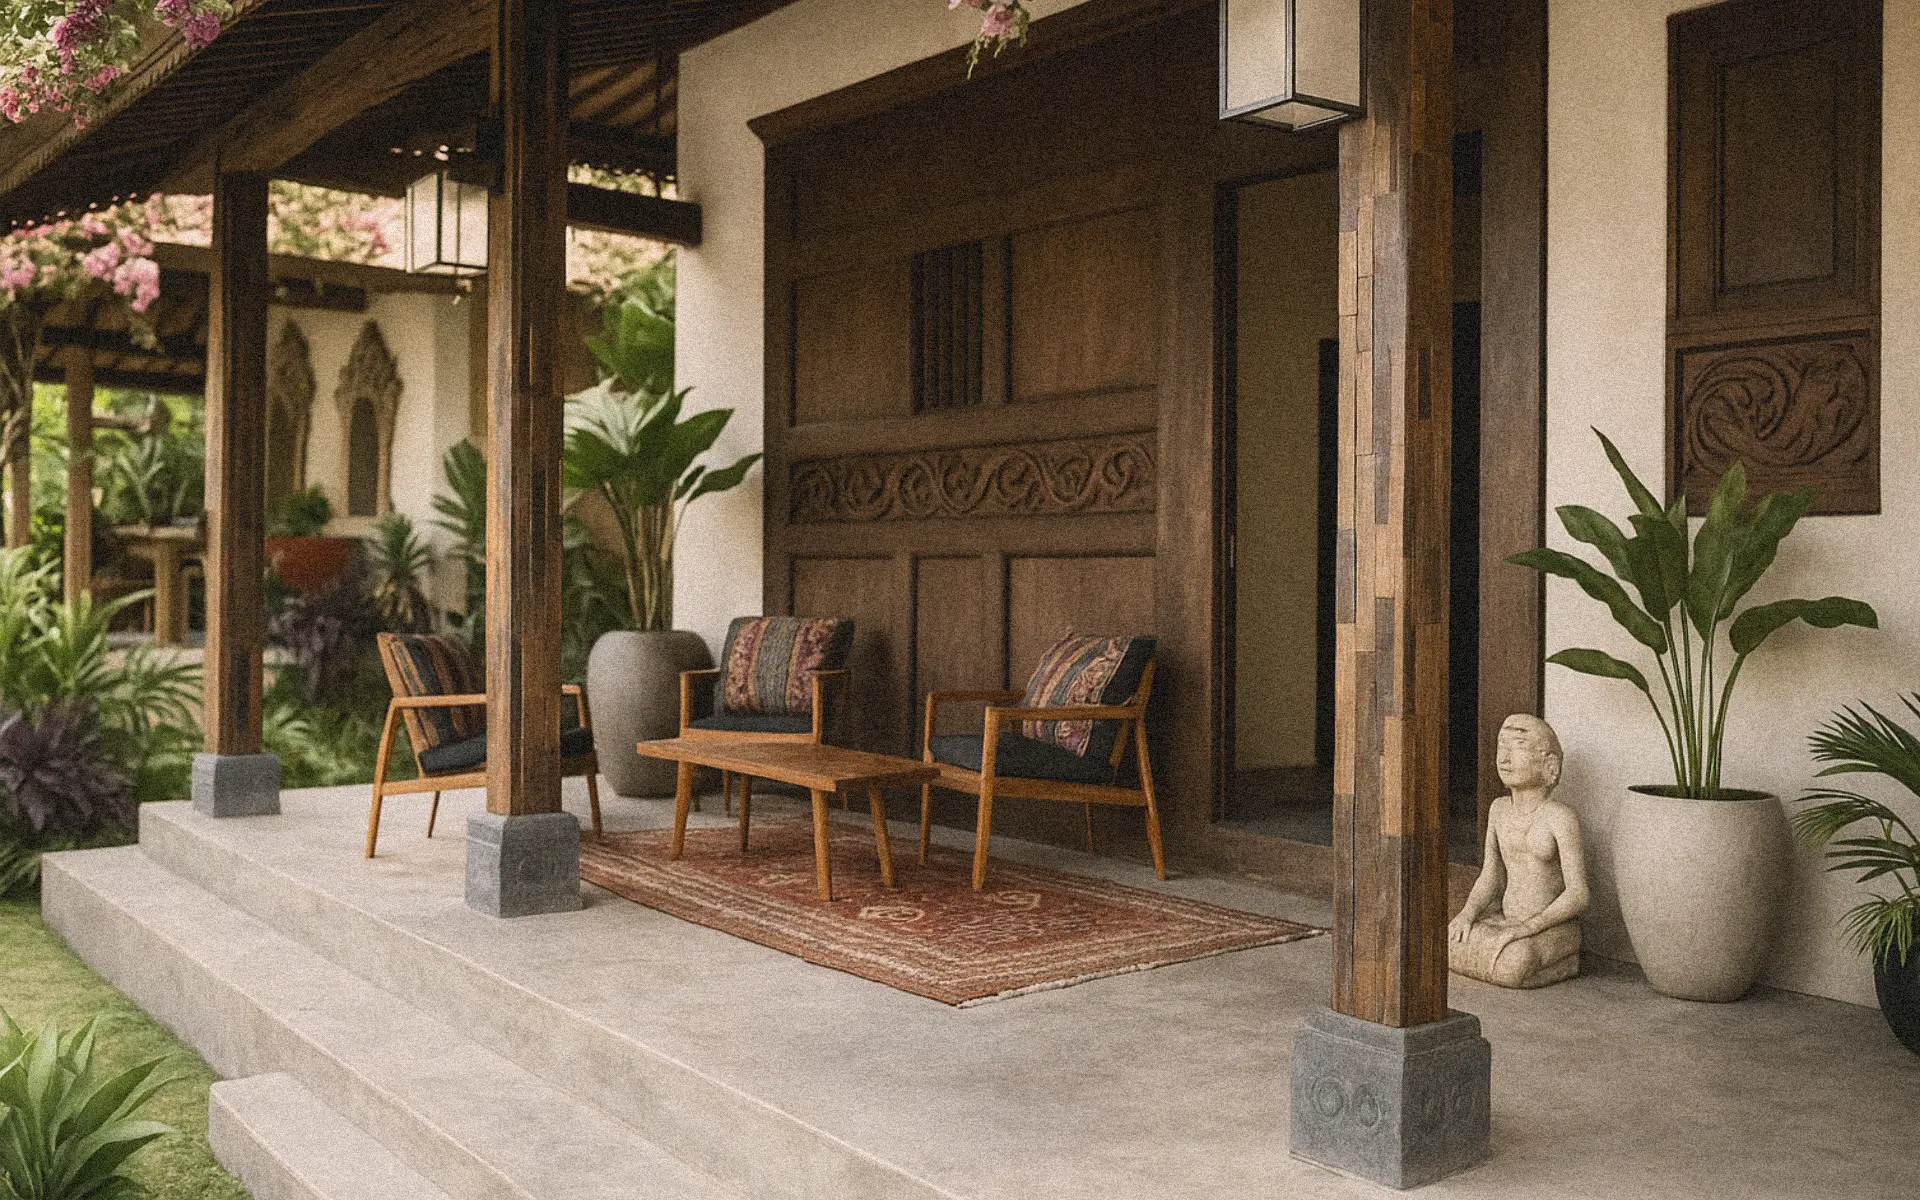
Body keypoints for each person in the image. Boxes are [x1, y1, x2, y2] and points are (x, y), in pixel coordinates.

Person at [1447, 714, 1589, 988]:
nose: (1505, 757)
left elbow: (1578, 894)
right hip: (1507, 919)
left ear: (1549, 762)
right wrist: (1468, 913)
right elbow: (1491, 876)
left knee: (1514, 963)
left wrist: (1530, 927)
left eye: (1519, 745)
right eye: (1502, 746)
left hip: (1550, 926)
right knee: (1446, 942)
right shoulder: (1498, 809)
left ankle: (1565, 960)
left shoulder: (1560, 817)